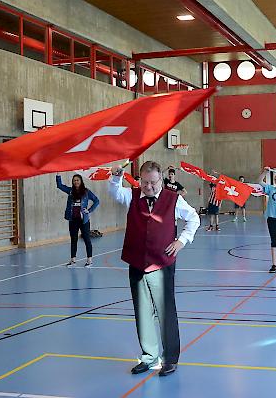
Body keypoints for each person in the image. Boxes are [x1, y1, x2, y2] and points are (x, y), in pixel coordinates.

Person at [108, 161, 200, 377]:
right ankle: (149, 357)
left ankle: (170, 359)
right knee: (142, 311)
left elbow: (194, 218)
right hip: (137, 262)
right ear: (140, 180)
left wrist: (181, 241)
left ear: (161, 180)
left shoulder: (173, 198)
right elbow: (115, 192)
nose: (148, 186)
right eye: (145, 182)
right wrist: (115, 177)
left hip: (162, 262)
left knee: (165, 312)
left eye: (153, 182)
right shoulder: (132, 195)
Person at [56, 173, 99, 267]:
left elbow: (96, 201)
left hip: (83, 220)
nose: (76, 182)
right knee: (73, 239)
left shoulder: (86, 192)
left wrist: (89, 210)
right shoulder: (70, 191)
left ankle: (89, 260)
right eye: (74, 180)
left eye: (77, 180)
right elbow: (59, 185)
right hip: (73, 219)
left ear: (81, 181)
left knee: (87, 239)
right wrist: (58, 174)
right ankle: (73, 260)